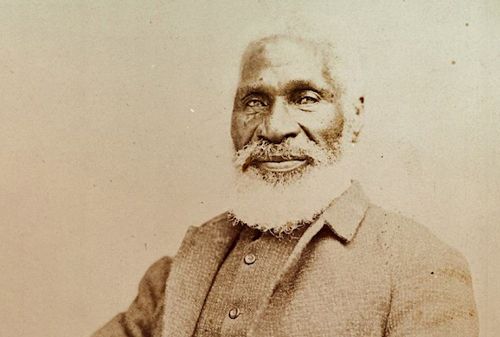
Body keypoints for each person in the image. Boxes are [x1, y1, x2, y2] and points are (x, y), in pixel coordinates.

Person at [92, 35, 479, 337]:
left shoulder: (418, 264)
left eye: (305, 98)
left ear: (354, 116)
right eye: (255, 102)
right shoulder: (187, 260)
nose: (275, 128)